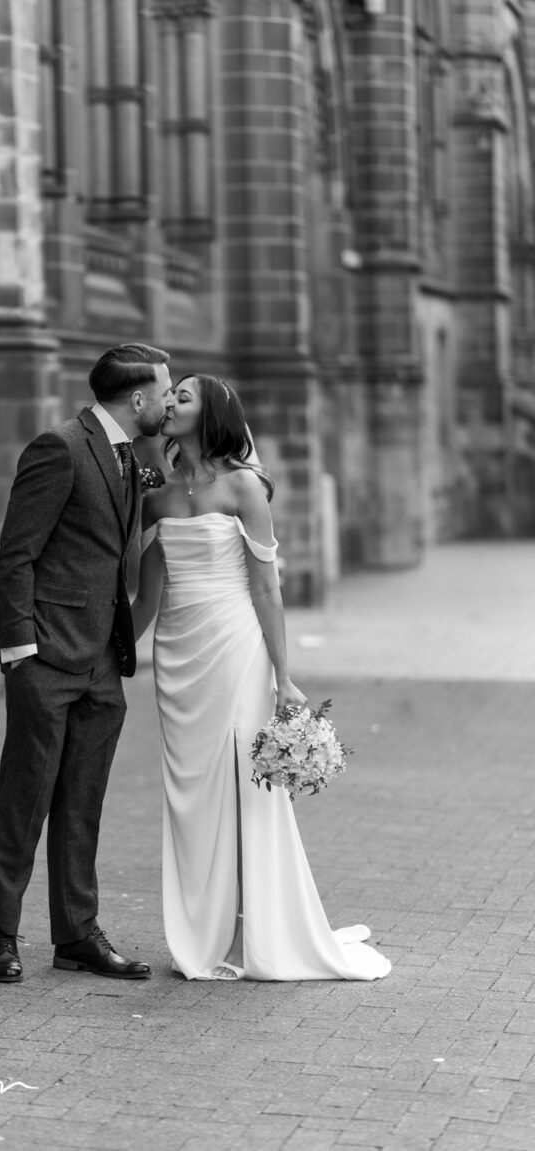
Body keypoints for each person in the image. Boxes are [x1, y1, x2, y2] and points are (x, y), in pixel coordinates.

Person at [132, 374, 391, 982]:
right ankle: (205, 931)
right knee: (190, 791)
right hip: (177, 653)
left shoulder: (244, 486)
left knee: (248, 789)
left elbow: (265, 585)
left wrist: (285, 676)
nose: (170, 404)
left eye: (183, 397)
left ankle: (263, 927)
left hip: (236, 646)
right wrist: (113, 653)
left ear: (213, 413)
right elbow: (146, 596)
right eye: (171, 396)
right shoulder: (158, 496)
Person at [0, 343, 173, 983]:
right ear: (137, 398)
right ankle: (1, 937)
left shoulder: (132, 458)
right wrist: (20, 649)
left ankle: (77, 936)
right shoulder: (59, 447)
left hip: (102, 661)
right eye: (165, 391)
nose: (170, 401)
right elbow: (15, 555)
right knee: (25, 799)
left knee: (82, 803)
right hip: (46, 658)